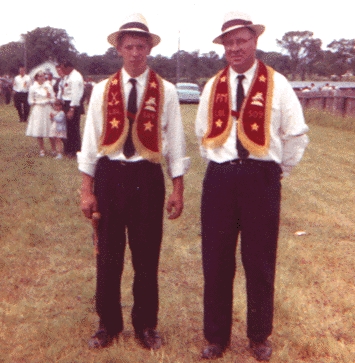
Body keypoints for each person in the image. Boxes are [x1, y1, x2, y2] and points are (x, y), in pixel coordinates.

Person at [195, 11, 309, 361]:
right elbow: (203, 135)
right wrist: (223, 166)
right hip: (221, 178)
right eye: (228, 43)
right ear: (222, 47)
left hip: (261, 179)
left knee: (259, 261)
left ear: (255, 41)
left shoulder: (279, 84)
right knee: (216, 260)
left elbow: (296, 135)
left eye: (241, 40)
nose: (235, 48)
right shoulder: (214, 85)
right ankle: (216, 337)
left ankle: (259, 336)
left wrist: (277, 171)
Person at [78, 13, 190, 350]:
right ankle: (107, 324)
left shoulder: (166, 91)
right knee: (108, 255)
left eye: (141, 46)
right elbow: (89, 140)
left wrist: (178, 189)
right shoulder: (101, 90)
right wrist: (87, 190)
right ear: (119, 48)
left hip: (147, 176)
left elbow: (176, 140)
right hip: (111, 176)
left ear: (149, 48)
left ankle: (146, 325)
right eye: (129, 46)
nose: (135, 52)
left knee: (146, 256)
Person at [26, 71, 56, 156]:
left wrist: (47, 101)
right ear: (36, 78)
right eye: (40, 76)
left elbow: (53, 98)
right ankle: (42, 149)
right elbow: (30, 101)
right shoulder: (33, 87)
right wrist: (37, 102)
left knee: (50, 129)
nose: (42, 78)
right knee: (39, 129)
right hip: (38, 109)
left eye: (43, 76)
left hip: (47, 108)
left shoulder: (48, 86)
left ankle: (53, 149)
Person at [57, 60, 84, 157]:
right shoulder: (68, 76)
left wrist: (72, 109)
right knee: (67, 128)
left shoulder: (75, 77)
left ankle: (75, 150)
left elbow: (76, 94)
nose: (62, 70)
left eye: (63, 68)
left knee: (73, 128)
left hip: (73, 104)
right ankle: (68, 148)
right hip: (66, 103)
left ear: (69, 67)